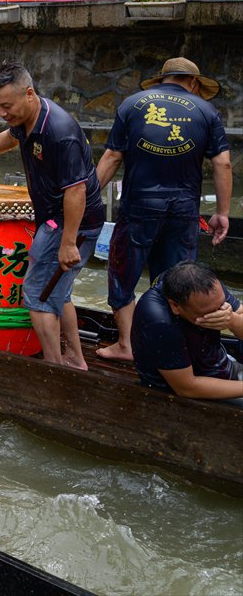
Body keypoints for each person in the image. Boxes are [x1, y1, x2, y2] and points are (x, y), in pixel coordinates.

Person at [0, 63, 104, 369]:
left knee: (37, 295)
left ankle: (53, 368)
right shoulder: (27, 118)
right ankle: (73, 357)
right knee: (59, 290)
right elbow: (10, 136)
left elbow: (77, 192)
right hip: (57, 219)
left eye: (7, 105)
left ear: (29, 94)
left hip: (70, 223)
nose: (2, 113)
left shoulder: (59, 132)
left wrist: (69, 242)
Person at [94, 58, 231, 364]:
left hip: (138, 207)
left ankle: (127, 345)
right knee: (177, 282)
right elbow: (222, 162)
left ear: (161, 81)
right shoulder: (207, 111)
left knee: (123, 274)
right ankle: (175, 350)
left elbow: (113, 156)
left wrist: (88, 202)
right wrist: (222, 212)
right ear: (194, 83)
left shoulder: (131, 104)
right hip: (183, 210)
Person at [132, 262, 243, 405]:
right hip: (188, 391)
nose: (221, 312)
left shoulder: (206, 288)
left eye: (221, 305)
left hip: (221, 365)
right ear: (176, 306)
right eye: (211, 312)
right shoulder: (158, 321)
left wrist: (232, 320)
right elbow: (187, 388)